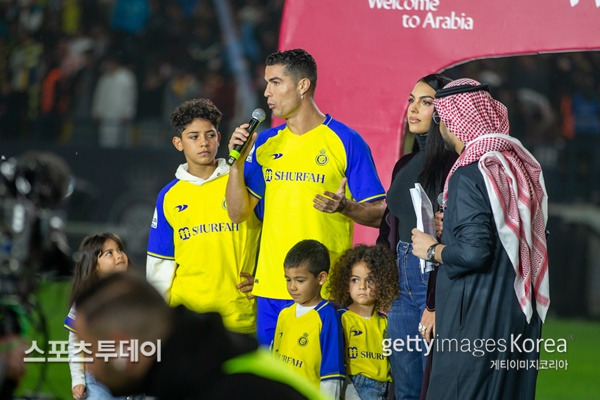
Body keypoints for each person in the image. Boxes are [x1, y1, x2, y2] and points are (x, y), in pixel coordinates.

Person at [226, 48, 386, 346]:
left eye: (275, 82)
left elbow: (380, 213)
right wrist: (236, 165)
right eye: (266, 82)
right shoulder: (263, 142)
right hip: (272, 288)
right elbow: (237, 213)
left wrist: (344, 206)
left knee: (320, 384)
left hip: (324, 290)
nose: (267, 92)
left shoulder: (346, 140)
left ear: (302, 86)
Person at [411, 78, 549, 399]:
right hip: (513, 313)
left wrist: (433, 249)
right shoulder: (513, 166)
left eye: (442, 117)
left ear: (453, 121)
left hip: (475, 316)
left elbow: (475, 252)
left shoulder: (469, 173)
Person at [73, 271, 329, 400]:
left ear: (122, 350)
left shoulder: (235, 389)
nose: (89, 365)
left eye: (90, 349)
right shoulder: (203, 366)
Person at [146, 98, 261, 334]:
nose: (204, 143)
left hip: (239, 317)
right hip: (187, 321)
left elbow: (273, 234)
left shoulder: (243, 179)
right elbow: (161, 264)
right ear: (178, 143)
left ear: (219, 138)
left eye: (210, 135)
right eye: (193, 136)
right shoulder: (169, 196)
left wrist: (262, 277)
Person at [376, 74, 456, 400]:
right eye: (411, 100)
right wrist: (381, 279)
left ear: (444, 111)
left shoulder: (454, 166)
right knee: (405, 386)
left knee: (432, 385)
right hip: (399, 282)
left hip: (431, 283)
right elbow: (387, 225)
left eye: (425, 102)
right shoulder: (405, 163)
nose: (413, 109)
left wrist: (435, 303)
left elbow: (448, 240)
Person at [64, 233, 141, 400]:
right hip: (98, 383)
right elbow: (75, 345)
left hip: (136, 379)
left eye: (119, 250)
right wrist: (77, 379)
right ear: (93, 266)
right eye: (109, 253)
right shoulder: (85, 302)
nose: (119, 255)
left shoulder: (138, 294)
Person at [272, 240, 345, 399]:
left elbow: (332, 373)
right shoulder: (284, 314)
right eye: (288, 279)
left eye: (300, 280)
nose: (292, 287)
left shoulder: (327, 316)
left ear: (321, 278)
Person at [327, 244, 399, 400]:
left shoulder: (386, 322)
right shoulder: (341, 318)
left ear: (382, 284)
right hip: (353, 387)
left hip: (384, 389)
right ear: (346, 284)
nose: (362, 286)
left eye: (370, 280)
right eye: (355, 280)